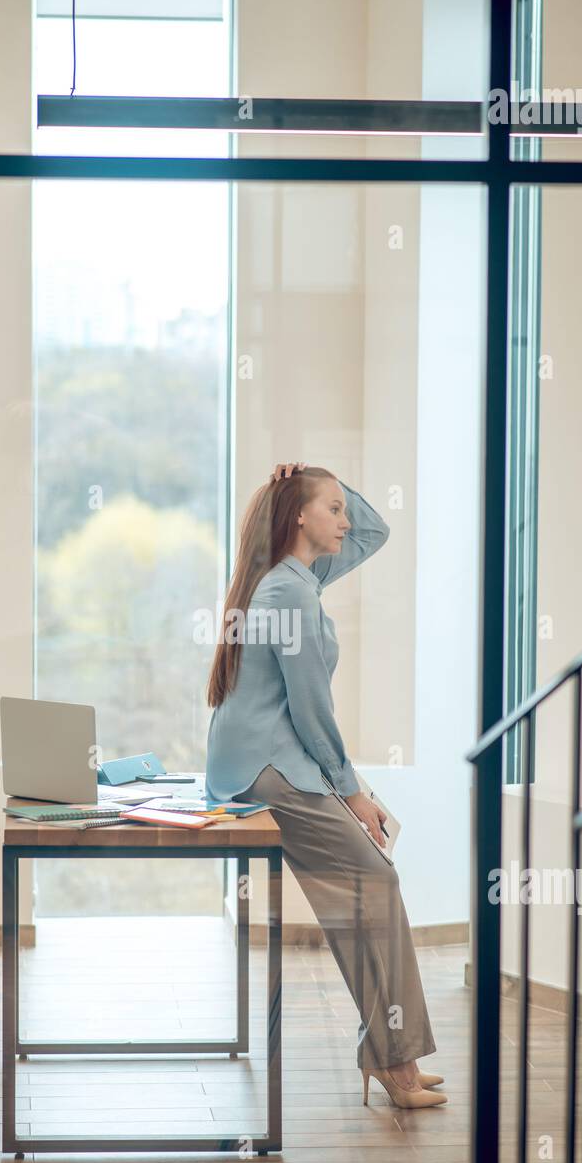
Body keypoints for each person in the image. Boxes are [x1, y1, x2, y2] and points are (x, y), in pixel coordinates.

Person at [205, 462, 447, 1110]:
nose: (345, 520)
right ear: (299, 518)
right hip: (269, 767)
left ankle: (393, 1052)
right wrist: (353, 791)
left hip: (264, 759)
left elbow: (374, 531)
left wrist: (318, 477)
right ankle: (394, 1061)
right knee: (374, 878)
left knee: (369, 882)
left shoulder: (294, 576)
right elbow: (312, 708)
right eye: (332, 508)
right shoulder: (290, 592)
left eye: (342, 508)